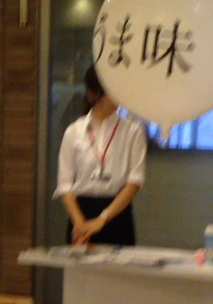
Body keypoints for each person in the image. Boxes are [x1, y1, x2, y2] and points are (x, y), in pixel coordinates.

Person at [54, 66, 147, 246]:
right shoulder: (74, 131)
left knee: (120, 264)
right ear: (92, 94)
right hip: (80, 213)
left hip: (117, 214)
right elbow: (64, 185)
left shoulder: (133, 131)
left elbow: (135, 181)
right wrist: (80, 225)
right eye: (111, 90)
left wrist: (102, 219)